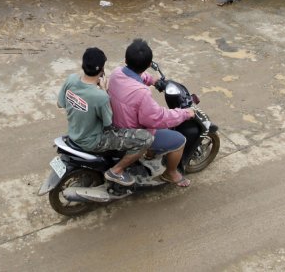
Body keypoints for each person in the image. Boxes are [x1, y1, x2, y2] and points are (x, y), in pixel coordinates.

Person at [107, 38, 197, 188]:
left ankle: (149, 155)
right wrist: (185, 114)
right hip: (133, 133)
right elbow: (157, 118)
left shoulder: (116, 73)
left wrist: (152, 80)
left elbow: (136, 75)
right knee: (179, 140)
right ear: (149, 65)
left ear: (125, 60)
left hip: (116, 122)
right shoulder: (142, 94)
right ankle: (171, 173)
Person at [57, 47, 152, 186]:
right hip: (93, 141)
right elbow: (109, 124)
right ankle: (116, 171)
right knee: (146, 139)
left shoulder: (71, 79)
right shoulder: (100, 97)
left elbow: (61, 104)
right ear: (102, 70)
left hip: (74, 133)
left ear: (83, 65)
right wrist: (104, 91)